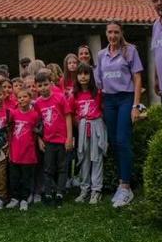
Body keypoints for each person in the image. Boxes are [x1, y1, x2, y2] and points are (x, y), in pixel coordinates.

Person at [95, 21, 143, 208]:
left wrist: (135, 105)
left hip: (125, 99)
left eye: (116, 32)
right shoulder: (101, 55)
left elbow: (137, 78)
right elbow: (99, 82)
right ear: (106, 33)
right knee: (114, 142)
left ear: (121, 32)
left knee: (123, 140)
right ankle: (120, 182)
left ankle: (126, 186)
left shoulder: (130, 51)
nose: (113, 36)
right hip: (109, 101)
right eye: (110, 32)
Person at [33, 71, 73, 207]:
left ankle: (60, 192)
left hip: (62, 140)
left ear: (51, 84)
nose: (43, 88)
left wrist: (69, 138)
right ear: (36, 87)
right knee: (48, 169)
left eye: (45, 84)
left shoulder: (60, 97)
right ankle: (48, 193)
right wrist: (39, 140)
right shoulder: (38, 103)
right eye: (40, 86)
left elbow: (68, 116)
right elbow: (38, 123)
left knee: (62, 168)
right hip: (48, 141)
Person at [71, 63, 106, 205]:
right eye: (80, 74)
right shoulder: (75, 94)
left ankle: (96, 190)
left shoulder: (97, 93)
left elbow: (103, 108)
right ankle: (84, 189)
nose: (83, 77)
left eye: (86, 73)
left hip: (96, 125)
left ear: (91, 76)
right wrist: (79, 123)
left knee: (96, 157)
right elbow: (72, 113)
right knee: (83, 158)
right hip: (83, 127)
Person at [8, 89, 40, 212]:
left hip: (28, 152)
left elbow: (37, 131)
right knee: (14, 177)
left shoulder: (35, 115)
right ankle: (15, 198)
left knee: (26, 178)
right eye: (19, 97)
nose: (22, 99)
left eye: (24, 97)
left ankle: (24, 199)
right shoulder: (14, 114)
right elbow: (10, 129)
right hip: (15, 151)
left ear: (30, 98)